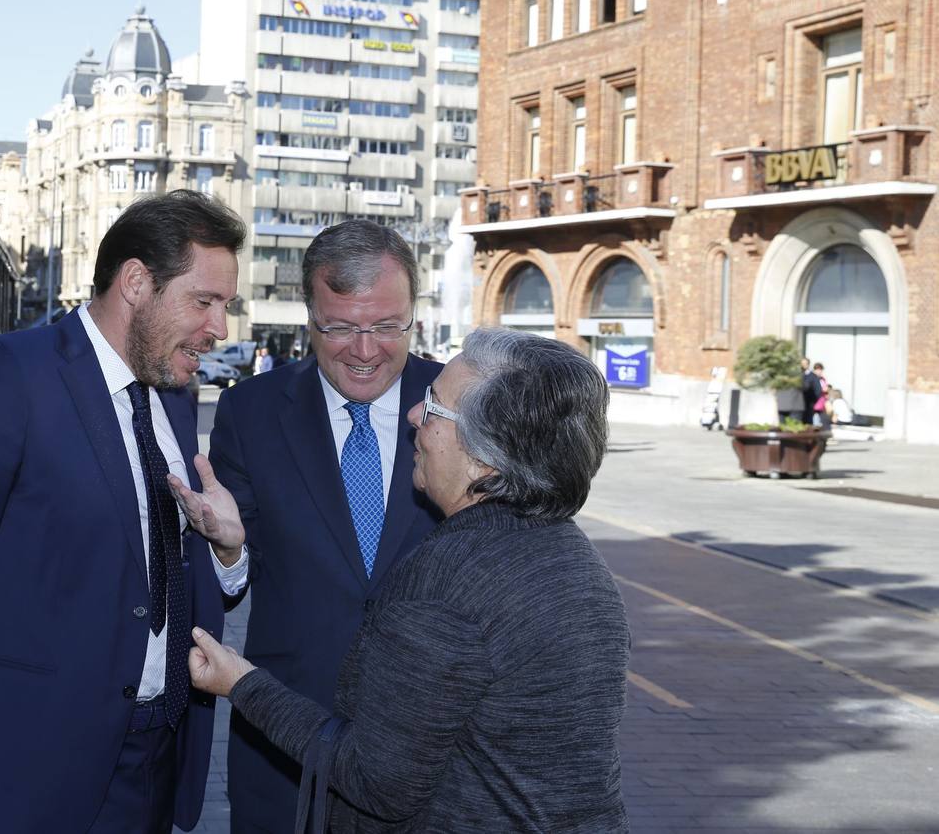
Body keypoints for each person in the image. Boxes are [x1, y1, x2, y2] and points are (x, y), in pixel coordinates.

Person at [0, 190, 250, 834]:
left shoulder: (173, 398)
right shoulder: (6, 377)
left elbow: (151, 567)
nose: (220, 328)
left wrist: (226, 553)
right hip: (16, 780)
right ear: (136, 282)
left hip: (153, 770)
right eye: (205, 301)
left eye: (226, 305)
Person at [187, 328, 631, 832]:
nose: (414, 416)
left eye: (435, 408)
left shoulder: (446, 584)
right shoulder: (574, 558)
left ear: (487, 454)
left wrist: (242, 685)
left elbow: (375, 780)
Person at [207, 219, 443, 832]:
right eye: (340, 328)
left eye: (387, 327)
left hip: (434, 750)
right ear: (309, 318)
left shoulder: (460, 404)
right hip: (284, 745)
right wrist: (230, 550)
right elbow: (232, 579)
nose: (365, 351)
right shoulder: (250, 412)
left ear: (412, 315)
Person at [800, 357, 821, 425]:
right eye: (801, 364)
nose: (802, 366)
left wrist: (812, 402)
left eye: (804, 364)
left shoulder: (813, 376)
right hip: (798, 405)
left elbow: (817, 390)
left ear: (808, 365)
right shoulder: (798, 375)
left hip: (809, 405)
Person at [812, 362, 830, 426]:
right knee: (815, 417)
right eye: (817, 370)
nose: (819, 372)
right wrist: (822, 390)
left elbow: (826, 388)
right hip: (815, 402)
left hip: (822, 402)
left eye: (820, 370)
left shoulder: (823, 379)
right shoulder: (812, 378)